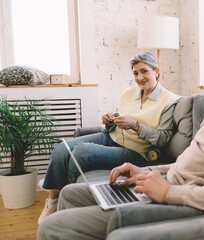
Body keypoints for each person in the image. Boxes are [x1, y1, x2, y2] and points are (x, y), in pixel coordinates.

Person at [37, 23, 204, 239]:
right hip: (164, 181)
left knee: (53, 227)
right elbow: (187, 164)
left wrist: (167, 191)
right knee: (70, 193)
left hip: (183, 200)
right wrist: (148, 172)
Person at [38, 52, 180, 223]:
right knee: (61, 148)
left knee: (81, 151)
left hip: (136, 151)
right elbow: (118, 116)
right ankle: (53, 198)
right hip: (112, 137)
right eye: (135, 73)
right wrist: (109, 121)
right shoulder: (129, 94)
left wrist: (135, 126)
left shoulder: (169, 101)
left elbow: (163, 139)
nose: (139, 78)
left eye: (144, 71)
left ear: (156, 71)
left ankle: (68, 200)